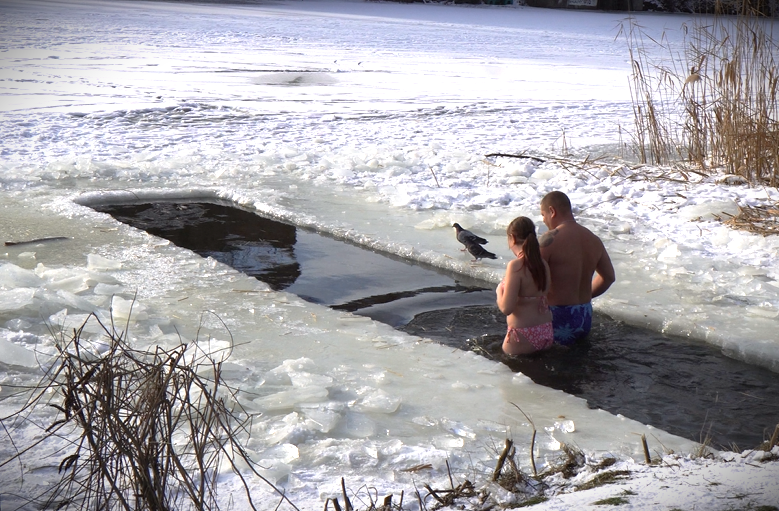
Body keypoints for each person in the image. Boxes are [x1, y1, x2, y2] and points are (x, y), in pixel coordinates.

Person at [538, 191, 616, 345]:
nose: (544, 220)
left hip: (556, 315)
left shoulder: (549, 240)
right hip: (584, 314)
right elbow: (608, 277)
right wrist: (587, 295)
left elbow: (531, 277)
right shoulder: (593, 239)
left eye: (543, 214)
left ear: (552, 211)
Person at [496, 216, 554, 356]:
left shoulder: (516, 266)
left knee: (509, 373)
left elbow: (506, 308)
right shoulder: (542, 264)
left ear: (512, 238)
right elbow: (545, 293)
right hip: (545, 330)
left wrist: (499, 292)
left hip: (522, 334)